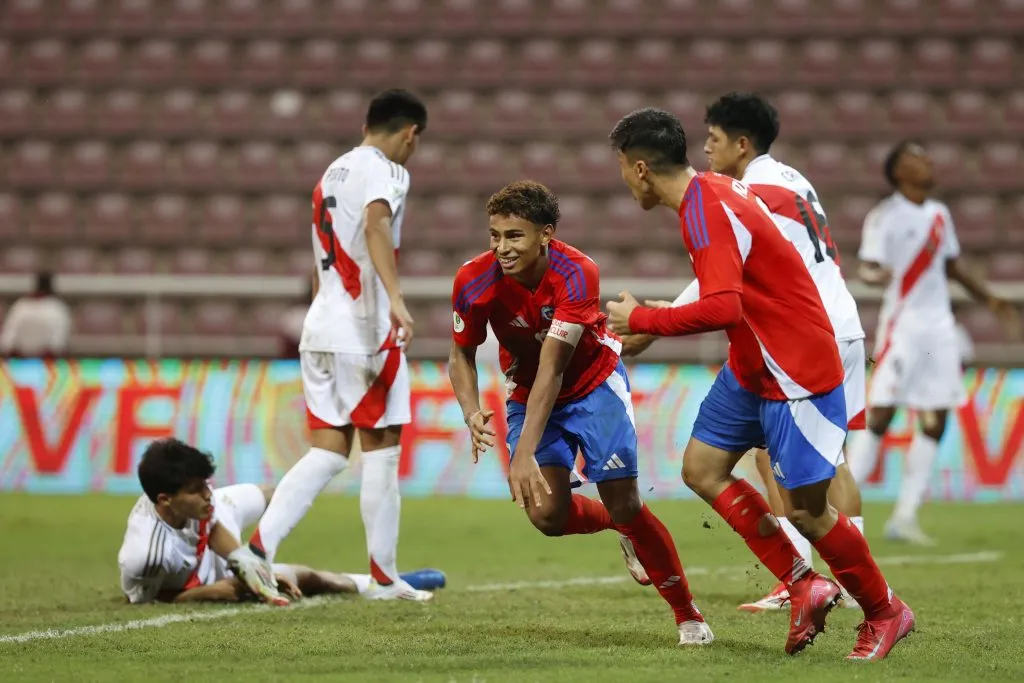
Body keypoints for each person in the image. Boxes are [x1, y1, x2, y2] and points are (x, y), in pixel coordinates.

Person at [605, 108, 913, 660]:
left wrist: (644, 321)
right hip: (752, 366)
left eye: (623, 169)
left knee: (807, 511)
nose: (625, 180)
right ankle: (803, 583)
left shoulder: (706, 207)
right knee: (702, 468)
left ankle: (886, 611)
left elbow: (724, 305)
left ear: (641, 167)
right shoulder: (714, 190)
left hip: (795, 368)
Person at [447, 180, 711, 646]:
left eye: (514, 236)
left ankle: (688, 616)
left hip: (592, 383)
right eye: (494, 236)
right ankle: (618, 525)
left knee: (625, 498)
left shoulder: (577, 272)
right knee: (548, 516)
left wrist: (523, 451)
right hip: (527, 390)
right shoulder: (473, 279)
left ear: (545, 234)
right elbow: (460, 355)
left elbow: (554, 365)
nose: (501, 248)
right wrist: (470, 411)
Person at [248, 89, 433, 601]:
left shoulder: (331, 172)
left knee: (328, 452)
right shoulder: (389, 171)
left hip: (321, 325)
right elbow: (376, 224)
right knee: (382, 448)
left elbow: (319, 258)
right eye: (416, 143)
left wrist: (320, 315)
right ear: (409, 133)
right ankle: (382, 578)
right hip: (362, 329)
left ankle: (258, 549)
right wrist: (396, 299)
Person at [847, 141, 1021, 545]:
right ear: (898, 172)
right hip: (903, 325)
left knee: (936, 418)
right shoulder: (886, 216)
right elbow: (868, 265)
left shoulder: (940, 215)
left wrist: (990, 298)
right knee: (882, 413)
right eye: (917, 158)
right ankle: (843, 508)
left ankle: (905, 516)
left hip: (939, 329)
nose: (928, 161)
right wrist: (875, 276)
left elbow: (952, 265)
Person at [118, 438, 445, 605]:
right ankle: (380, 582)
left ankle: (386, 578)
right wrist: (216, 591)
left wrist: (246, 564)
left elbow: (214, 521)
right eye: (195, 489)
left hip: (213, 537)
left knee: (274, 495)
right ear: (164, 499)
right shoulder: (144, 554)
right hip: (195, 581)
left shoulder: (205, 502)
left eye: (206, 483)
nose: (207, 493)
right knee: (308, 577)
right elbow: (150, 600)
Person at [0, 272, 71, 358]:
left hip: (47, 361)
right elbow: (9, 338)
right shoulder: (21, 306)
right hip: (19, 361)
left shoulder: (56, 308)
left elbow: (58, 341)